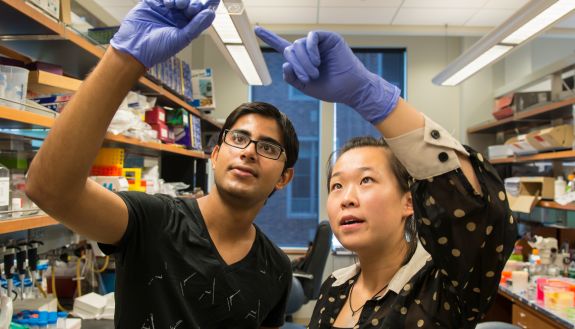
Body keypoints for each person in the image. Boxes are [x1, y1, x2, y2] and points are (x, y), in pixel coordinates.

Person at [25, 1, 298, 328]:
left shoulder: (277, 268)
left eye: (267, 147)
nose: (249, 151)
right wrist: (124, 58)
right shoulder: (152, 220)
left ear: (284, 177)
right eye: (238, 138)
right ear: (214, 154)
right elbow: (49, 190)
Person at [255, 27, 516, 328]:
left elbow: (475, 207)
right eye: (336, 185)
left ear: (409, 201)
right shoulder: (334, 289)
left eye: (366, 180)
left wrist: (369, 95)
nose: (347, 198)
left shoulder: (442, 288)